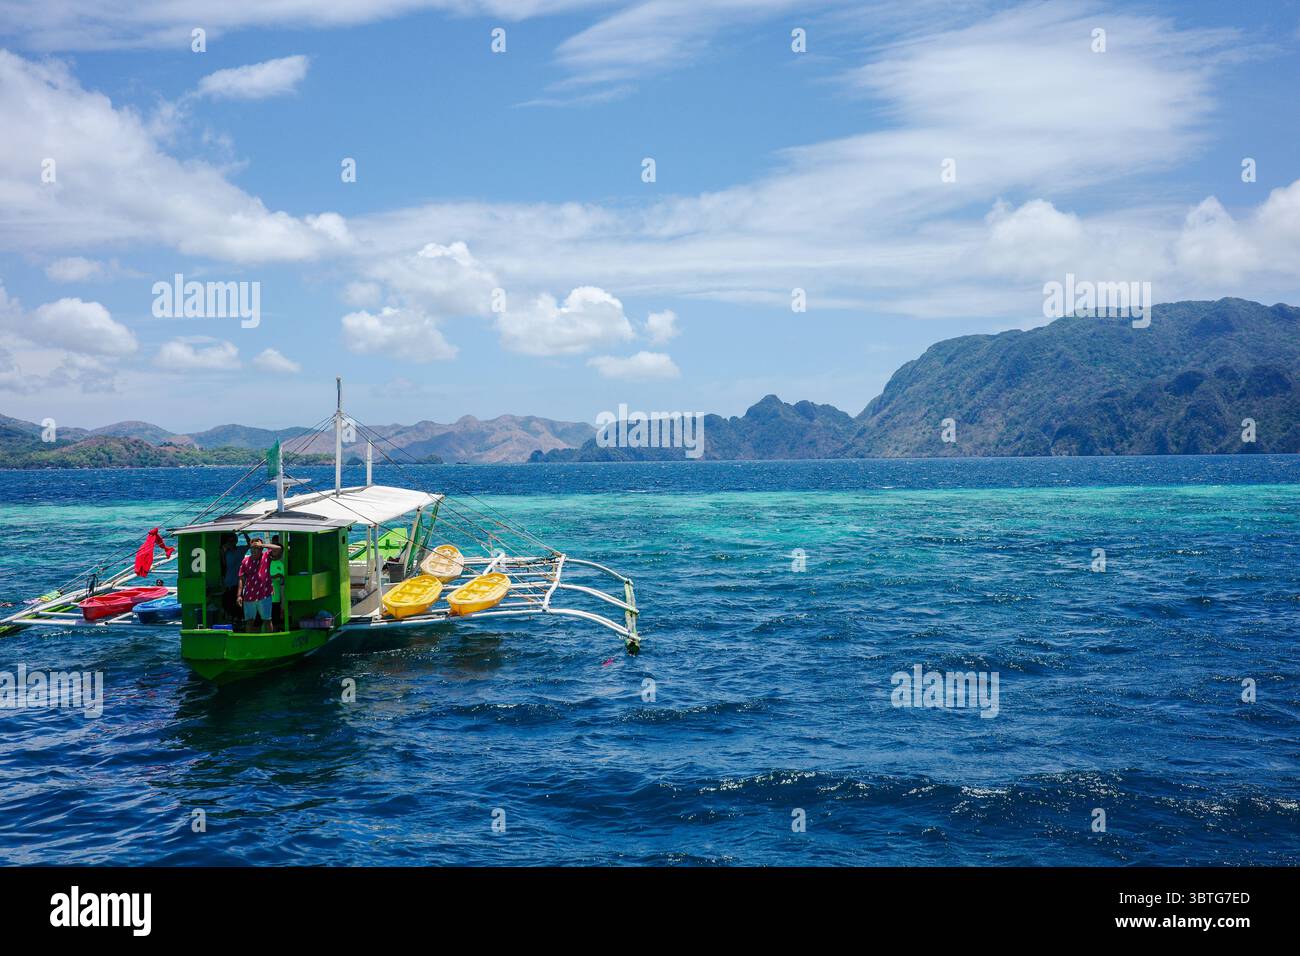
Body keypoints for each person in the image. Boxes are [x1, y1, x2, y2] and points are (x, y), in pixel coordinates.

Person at [237, 536, 283, 633]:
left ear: (261, 549)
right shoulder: (245, 561)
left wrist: (262, 545)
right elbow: (241, 578)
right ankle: (250, 639)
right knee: (249, 621)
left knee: (267, 620)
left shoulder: (266, 556)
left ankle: (269, 640)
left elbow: (278, 548)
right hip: (249, 595)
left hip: (264, 595)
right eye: (252, 548)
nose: (254, 550)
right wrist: (239, 595)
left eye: (256, 548)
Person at [219, 533, 245, 623]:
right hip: (229, 582)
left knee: (237, 604)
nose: (231, 543)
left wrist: (245, 533)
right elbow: (223, 565)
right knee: (229, 603)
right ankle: (233, 619)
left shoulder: (240, 550)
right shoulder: (226, 552)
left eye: (232, 541)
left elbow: (250, 544)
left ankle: (237, 620)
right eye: (229, 541)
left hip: (237, 582)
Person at [269, 535, 287, 631]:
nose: (279, 553)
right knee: (266, 619)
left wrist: (281, 577)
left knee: (275, 620)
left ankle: (274, 633)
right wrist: (276, 576)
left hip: (276, 597)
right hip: (266, 597)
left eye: (281, 552)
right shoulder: (266, 562)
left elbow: (283, 580)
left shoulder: (281, 564)